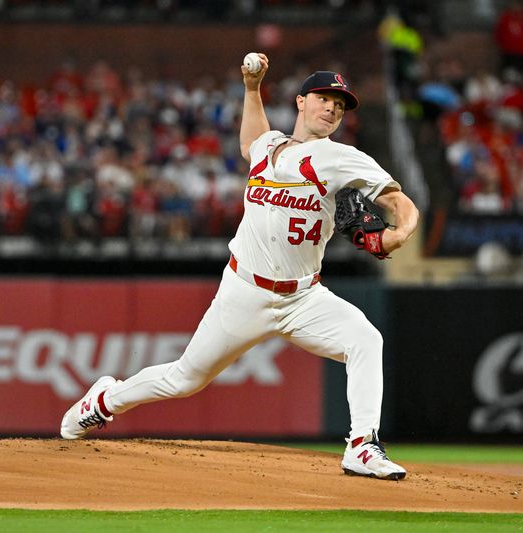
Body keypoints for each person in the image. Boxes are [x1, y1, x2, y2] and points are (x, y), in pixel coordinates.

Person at [59, 54, 419, 481]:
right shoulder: (269, 146)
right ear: (301, 102)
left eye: (339, 107)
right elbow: (252, 142)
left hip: (304, 296)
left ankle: (361, 446)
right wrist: (252, 89)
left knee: (365, 339)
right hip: (244, 291)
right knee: (184, 379)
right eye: (324, 99)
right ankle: (102, 402)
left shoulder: (342, 158)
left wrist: (400, 232)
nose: (332, 110)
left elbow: (399, 201)